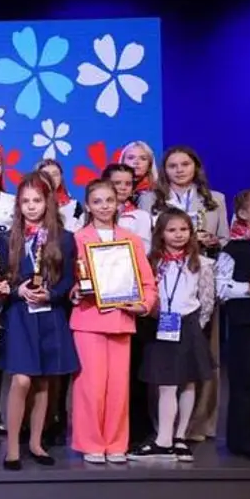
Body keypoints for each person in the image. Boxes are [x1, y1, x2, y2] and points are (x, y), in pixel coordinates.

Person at [140, 146, 228, 441]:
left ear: (196, 166)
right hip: (163, 289)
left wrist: (212, 241)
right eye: (172, 165)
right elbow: (145, 240)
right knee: (162, 365)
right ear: (164, 169)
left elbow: (226, 241)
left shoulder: (215, 200)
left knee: (201, 361)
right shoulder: (150, 199)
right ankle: (161, 428)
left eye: (185, 164)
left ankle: (197, 426)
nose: (179, 170)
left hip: (200, 280)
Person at [69, 180, 156, 464]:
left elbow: (147, 282)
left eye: (109, 200)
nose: (104, 206)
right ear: (88, 205)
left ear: (118, 202)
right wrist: (75, 291)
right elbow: (70, 280)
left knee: (119, 387)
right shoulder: (77, 238)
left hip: (121, 318)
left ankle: (116, 443)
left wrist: (144, 304)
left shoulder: (131, 239)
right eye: (97, 201)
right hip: (88, 319)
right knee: (91, 387)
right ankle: (91, 442)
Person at [0, 173, 79, 470]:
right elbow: (3, 277)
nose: (31, 206)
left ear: (48, 202)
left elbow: (68, 278)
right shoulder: (7, 238)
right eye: (25, 201)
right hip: (20, 314)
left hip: (49, 313)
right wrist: (17, 290)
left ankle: (36, 442)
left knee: (45, 380)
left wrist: (52, 295)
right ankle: (13, 447)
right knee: (21, 379)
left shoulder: (65, 238)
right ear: (18, 205)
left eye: (37, 200)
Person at [130, 209, 215, 462]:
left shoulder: (201, 263)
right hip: (161, 325)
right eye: (172, 230)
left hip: (188, 324)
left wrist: (196, 325)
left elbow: (206, 300)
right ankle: (164, 440)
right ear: (161, 233)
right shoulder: (152, 262)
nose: (178, 235)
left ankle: (179, 438)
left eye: (184, 229)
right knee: (166, 384)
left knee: (188, 382)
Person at [218, 189, 250, 460]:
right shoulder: (234, 250)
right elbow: (221, 288)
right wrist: (249, 288)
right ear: (243, 214)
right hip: (246, 325)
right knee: (247, 383)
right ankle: (244, 441)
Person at [119, 141, 158, 206]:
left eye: (143, 159)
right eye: (131, 158)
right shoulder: (111, 188)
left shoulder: (154, 191)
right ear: (123, 162)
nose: (136, 162)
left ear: (149, 165)